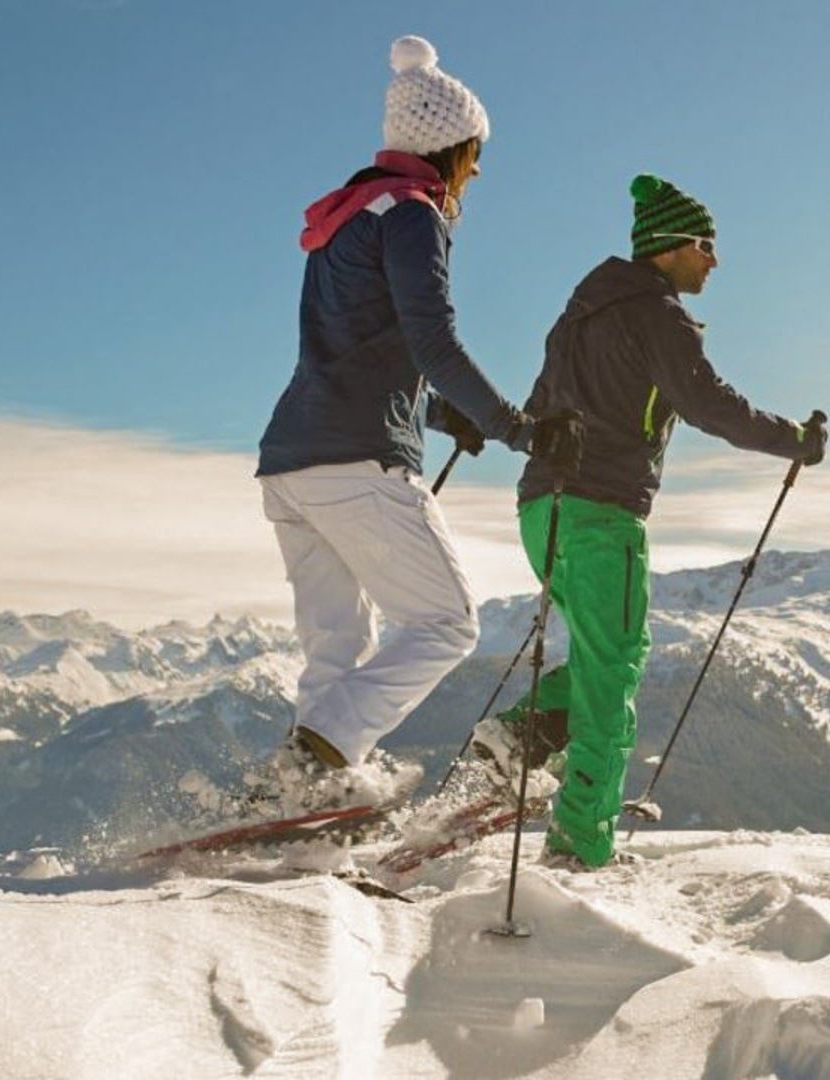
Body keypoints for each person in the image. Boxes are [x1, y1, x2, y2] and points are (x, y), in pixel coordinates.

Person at [475, 173, 826, 869]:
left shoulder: (577, 313)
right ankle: (582, 844)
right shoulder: (656, 313)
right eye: (706, 244)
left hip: (539, 505)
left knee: (605, 654)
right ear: (668, 246)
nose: (715, 260)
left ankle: (526, 734)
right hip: (601, 511)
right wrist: (795, 440)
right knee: (612, 677)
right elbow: (707, 404)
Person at [255, 37, 571, 788]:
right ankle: (318, 757)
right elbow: (434, 341)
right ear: (449, 149)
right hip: (357, 460)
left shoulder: (347, 217)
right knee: (445, 624)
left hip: (288, 461)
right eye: (474, 151)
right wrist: (515, 427)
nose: (479, 168)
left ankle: (298, 793)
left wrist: (439, 415)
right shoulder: (412, 214)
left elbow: (359, 349)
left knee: (336, 644)